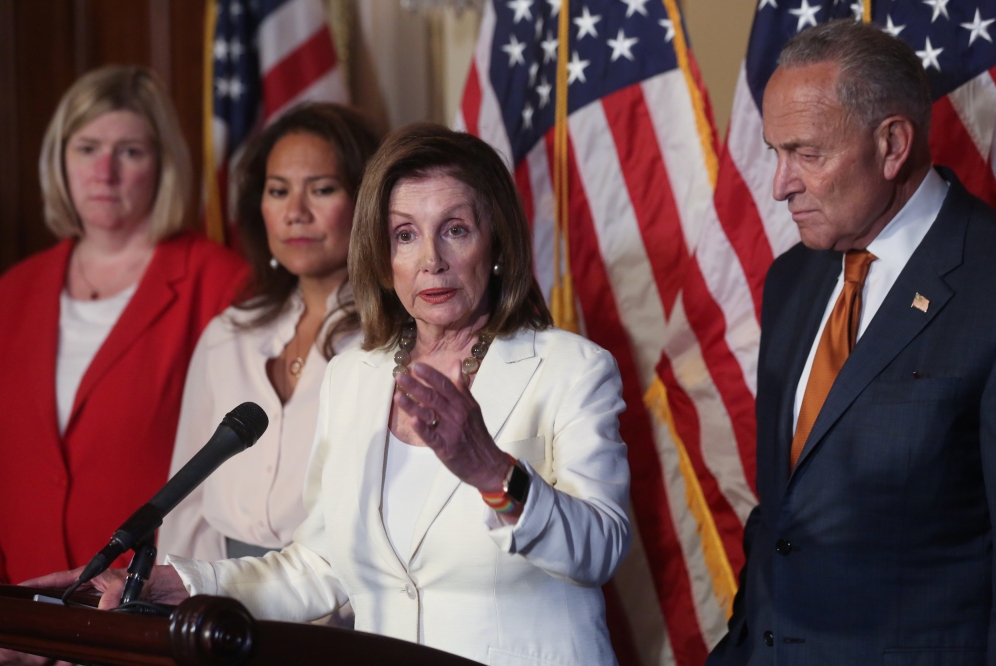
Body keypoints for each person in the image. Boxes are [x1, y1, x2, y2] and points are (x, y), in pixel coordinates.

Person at [28, 124, 632, 666]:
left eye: (455, 230)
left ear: (496, 244)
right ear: (381, 253)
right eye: (405, 235)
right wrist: (179, 585)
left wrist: (493, 473)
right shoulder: (353, 377)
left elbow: (601, 548)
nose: (431, 261)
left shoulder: (570, 370)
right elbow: (318, 567)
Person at [707, 20, 996, 666]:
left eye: (806, 154)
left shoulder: (991, 284)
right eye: (774, 153)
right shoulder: (791, 279)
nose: (780, 184)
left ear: (892, 144)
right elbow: (782, 513)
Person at [0, 66, 248, 586]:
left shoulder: (222, 283)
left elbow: (237, 478)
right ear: (60, 159)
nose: (104, 171)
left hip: (143, 606)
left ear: (164, 165)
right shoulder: (13, 292)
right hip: (22, 607)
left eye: (130, 152)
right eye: (87, 148)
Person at [157, 103, 379, 567]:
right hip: (218, 598)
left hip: (346, 604)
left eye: (322, 189)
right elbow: (187, 503)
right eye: (278, 191)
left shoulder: (393, 337)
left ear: (367, 200)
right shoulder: (229, 334)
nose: (295, 212)